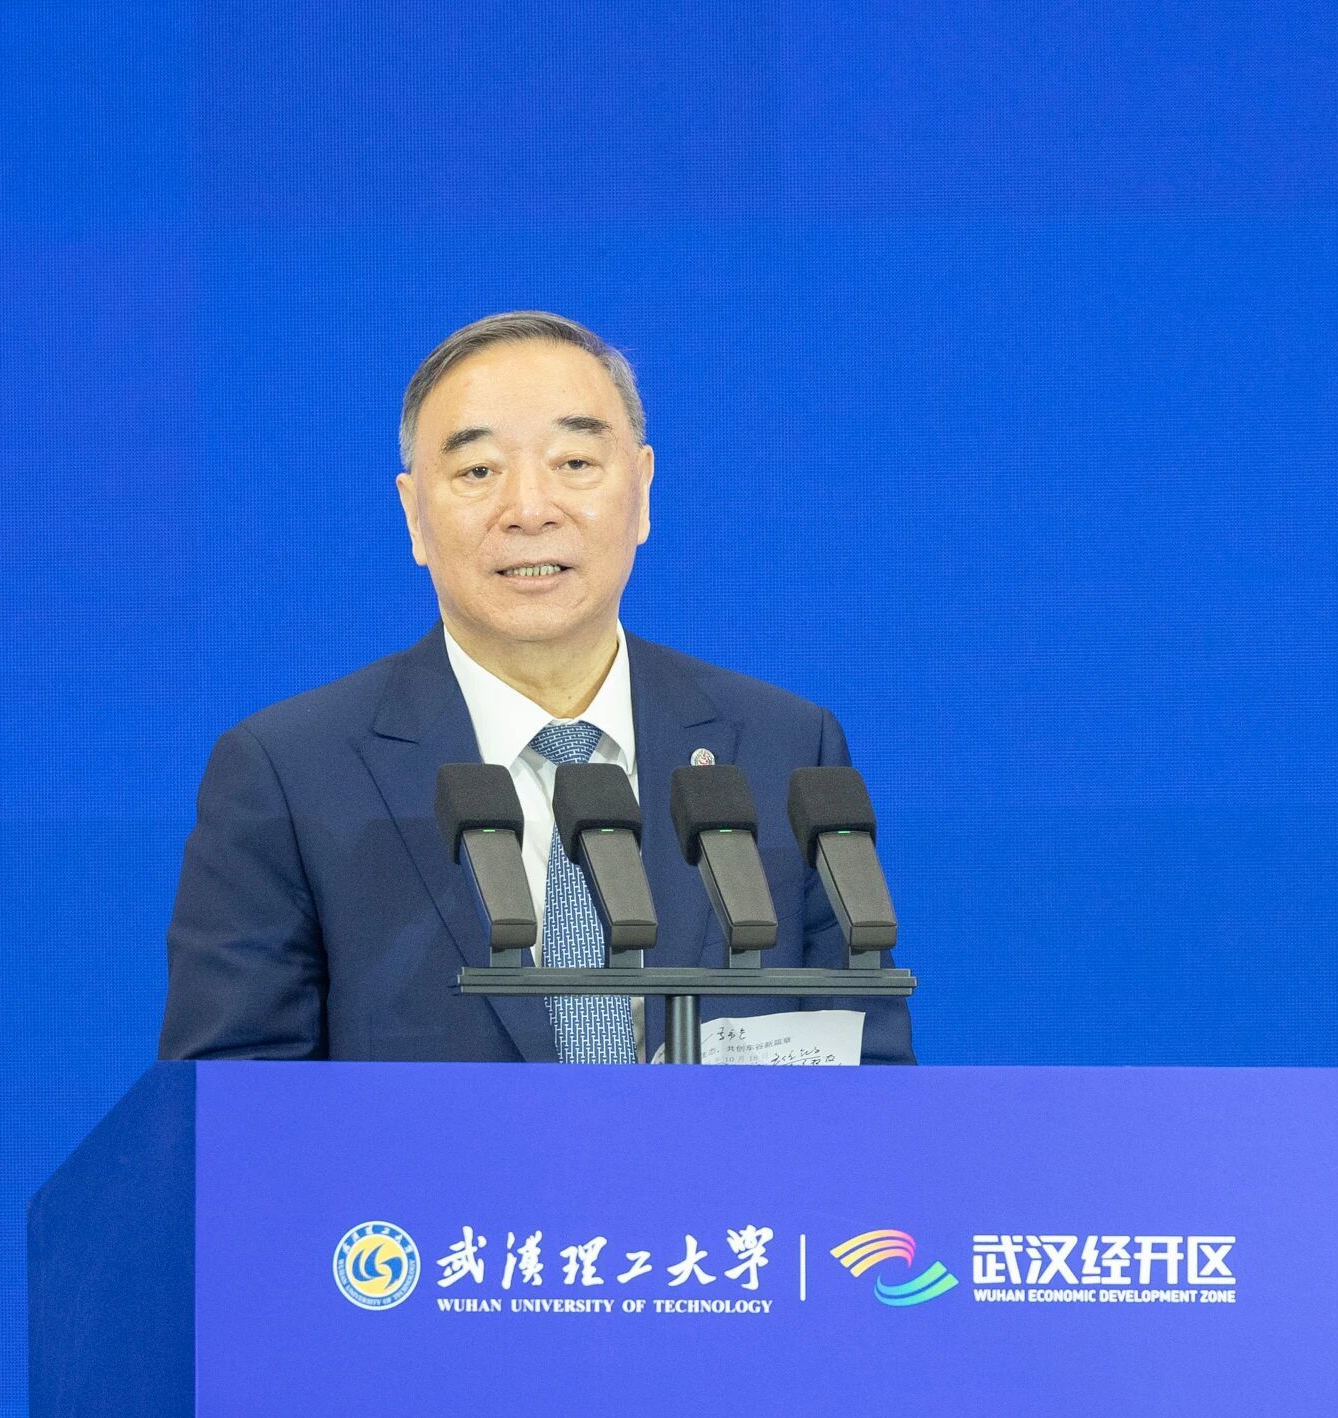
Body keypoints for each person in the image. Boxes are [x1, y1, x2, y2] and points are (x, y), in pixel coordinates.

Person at [158, 310, 913, 1063]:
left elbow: (866, 1078)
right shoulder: (292, 774)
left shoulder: (786, 750)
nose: (529, 511)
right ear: (414, 514)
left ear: (643, 490)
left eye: (574, 463)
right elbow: (230, 1104)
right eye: (478, 471)